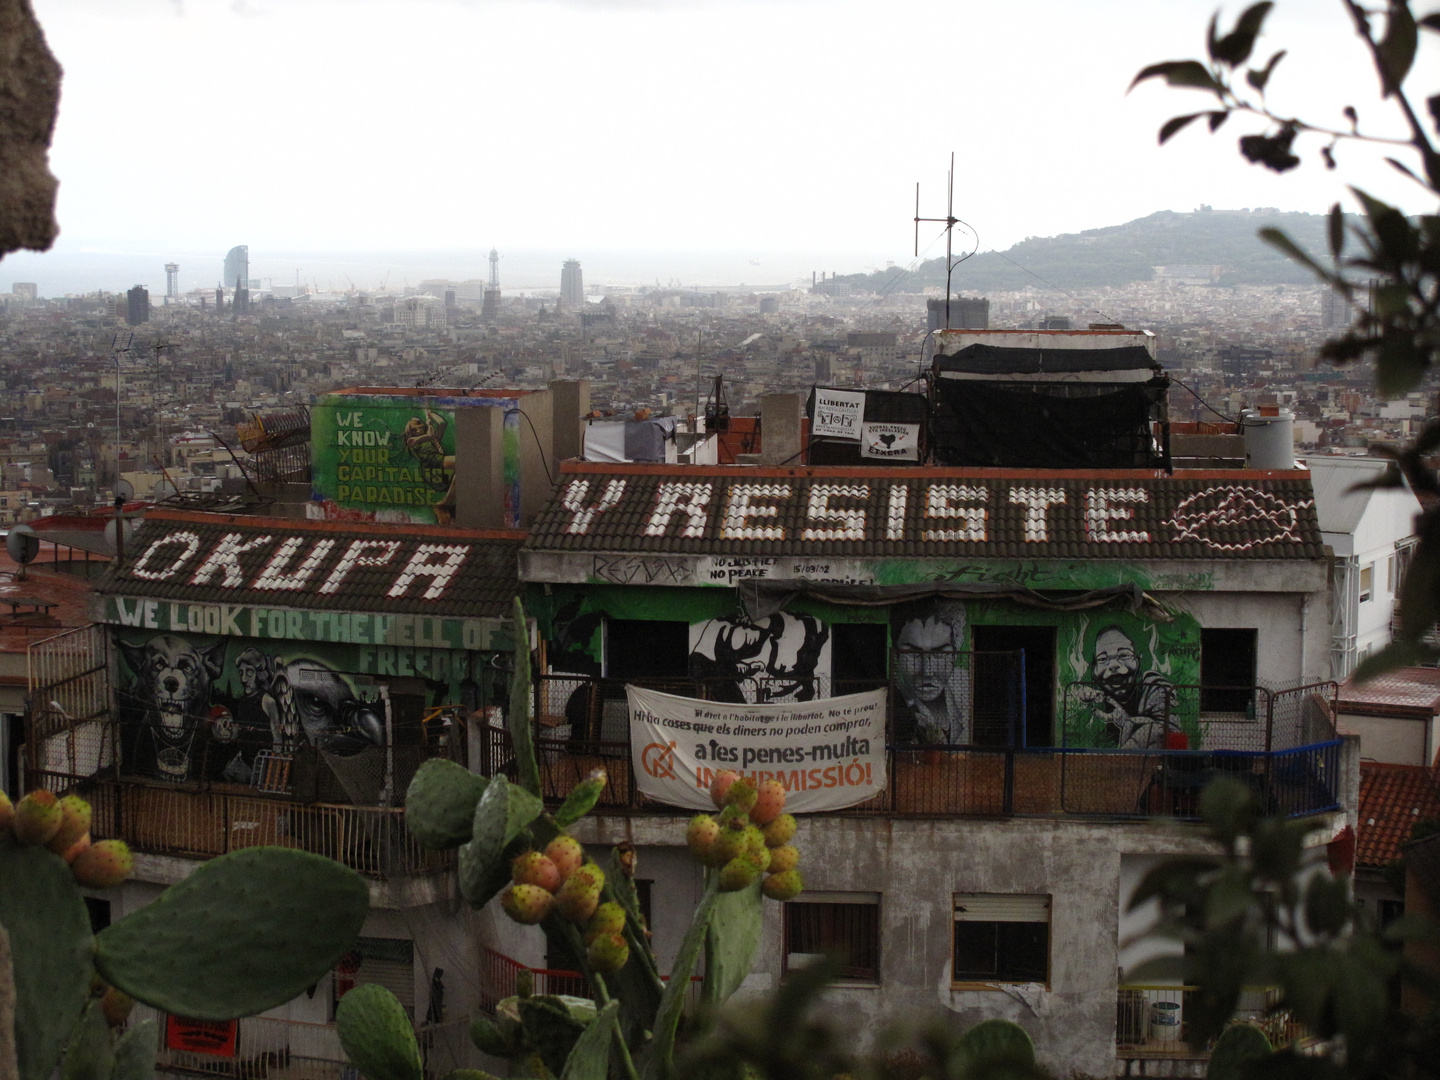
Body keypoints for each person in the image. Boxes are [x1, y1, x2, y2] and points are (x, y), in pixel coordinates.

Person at [1071, 624, 1174, 749]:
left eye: (1124, 655)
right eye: (1103, 659)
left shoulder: (1153, 685)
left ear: (1139, 657)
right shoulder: (1094, 691)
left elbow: (1165, 729)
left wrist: (1130, 723)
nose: (1113, 665)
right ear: (1093, 667)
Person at [891, 599, 970, 745]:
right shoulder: (891, 699)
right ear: (896, 655)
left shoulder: (967, 683)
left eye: (939, 653)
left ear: (955, 654)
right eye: (913, 654)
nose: (927, 671)